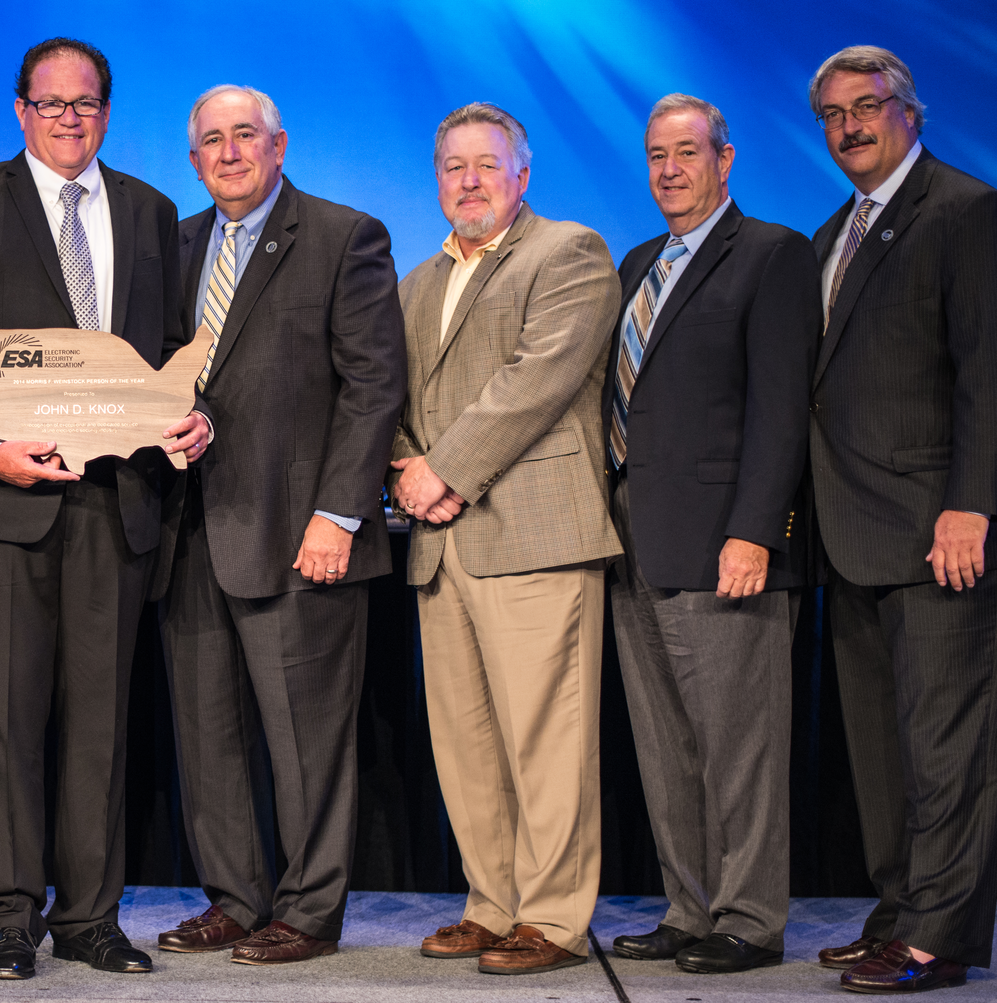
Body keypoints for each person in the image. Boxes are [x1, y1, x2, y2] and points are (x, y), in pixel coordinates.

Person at [0, 37, 190, 982]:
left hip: (118, 505)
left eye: (88, 103)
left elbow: (177, 354)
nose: (70, 118)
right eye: (52, 103)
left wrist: (191, 420)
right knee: (10, 719)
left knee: (101, 723)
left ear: (108, 111)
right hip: (1, 506)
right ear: (20, 110)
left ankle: (91, 916)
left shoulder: (150, 210)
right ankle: (13, 913)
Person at [803, 45, 997, 995]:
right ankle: (899, 913)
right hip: (857, 539)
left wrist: (972, 504)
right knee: (885, 753)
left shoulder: (971, 213)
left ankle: (936, 937)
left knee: (950, 747)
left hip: (949, 536)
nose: (850, 126)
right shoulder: (835, 233)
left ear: (911, 111)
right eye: (832, 114)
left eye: (867, 106)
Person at [155, 84, 403, 965]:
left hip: (303, 537)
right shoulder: (174, 244)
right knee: (208, 737)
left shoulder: (345, 236)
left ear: (280, 144)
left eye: (245, 136)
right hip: (188, 536)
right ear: (194, 160)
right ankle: (233, 896)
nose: (229, 153)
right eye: (212, 141)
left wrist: (338, 513)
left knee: (307, 744)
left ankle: (307, 908)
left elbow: (374, 386)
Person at [389, 102, 621, 976]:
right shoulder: (416, 282)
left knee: (546, 738)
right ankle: (492, 904)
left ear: (522, 174)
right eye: (454, 166)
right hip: (443, 542)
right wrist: (406, 466)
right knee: (467, 742)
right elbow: (392, 401)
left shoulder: (570, 253)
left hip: (535, 532)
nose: (470, 180)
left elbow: (537, 380)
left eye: (488, 164)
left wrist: (438, 472)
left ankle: (555, 917)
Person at [600, 93, 818, 975]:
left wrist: (756, 531)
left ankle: (750, 919)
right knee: (667, 747)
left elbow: (780, 410)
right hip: (637, 544)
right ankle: (690, 907)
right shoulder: (639, 260)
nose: (669, 169)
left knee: (739, 748)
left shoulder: (773, 254)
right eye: (656, 154)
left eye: (687, 152)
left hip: (727, 545)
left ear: (725, 161)